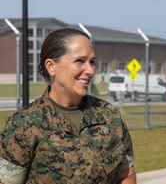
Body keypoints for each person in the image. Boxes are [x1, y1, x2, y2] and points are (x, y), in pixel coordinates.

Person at [0, 28, 136, 183]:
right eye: (80, 61)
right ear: (51, 66)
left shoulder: (109, 116)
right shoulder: (24, 124)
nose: (90, 70)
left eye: (92, 62)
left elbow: (126, 175)